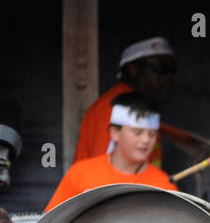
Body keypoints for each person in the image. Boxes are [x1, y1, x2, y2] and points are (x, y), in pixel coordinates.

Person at [47, 93, 176, 210]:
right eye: (138, 132)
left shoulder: (164, 185)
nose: (146, 140)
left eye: (152, 134)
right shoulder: (80, 174)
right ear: (115, 133)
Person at [73, 37, 176, 167]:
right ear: (134, 69)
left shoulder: (144, 107)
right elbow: (104, 178)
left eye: (173, 69)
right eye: (162, 68)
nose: (169, 77)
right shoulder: (117, 107)